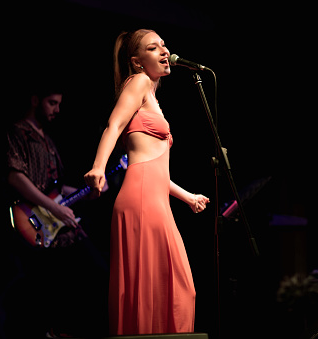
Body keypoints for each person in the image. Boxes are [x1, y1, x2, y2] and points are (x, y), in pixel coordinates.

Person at [84, 29, 210, 336]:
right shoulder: (138, 83)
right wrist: (98, 167)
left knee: (171, 292)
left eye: (164, 46)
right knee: (162, 292)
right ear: (138, 63)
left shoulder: (152, 97)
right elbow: (114, 124)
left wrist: (188, 197)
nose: (164, 51)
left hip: (154, 199)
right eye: (153, 48)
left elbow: (156, 170)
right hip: (141, 200)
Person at [5, 80, 108, 338]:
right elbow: (16, 177)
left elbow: (57, 187)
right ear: (35, 100)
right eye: (52, 103)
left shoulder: (48, 139)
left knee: (92, 276)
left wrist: (87, 193)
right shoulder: (18, 132)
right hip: (33, 219)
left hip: (56, 221)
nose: (57, 110)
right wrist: (56, 208)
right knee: (51, 288)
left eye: (60, 104)